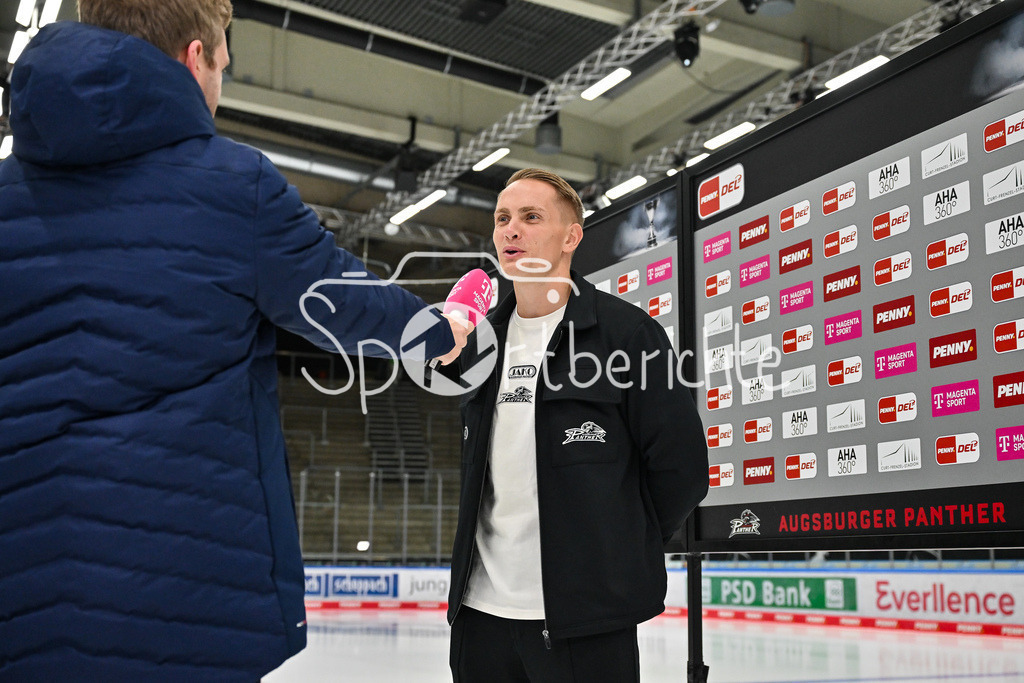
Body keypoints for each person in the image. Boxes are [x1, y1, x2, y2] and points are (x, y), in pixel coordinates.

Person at [0, 1, 467, 680]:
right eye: (223, 62)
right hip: (189, 602)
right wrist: (439, 329)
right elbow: (342, 303)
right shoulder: (234, 185)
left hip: (27, 601)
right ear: (196, 59)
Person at [447, 168, 709, 681]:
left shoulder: (627, 334)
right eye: (502, 218)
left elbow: (681, 470)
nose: (510, 230)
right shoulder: (481, 346)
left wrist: (611, 546)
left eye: (530, 216)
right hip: (479, 619)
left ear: (571, 236)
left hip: (584, 625)